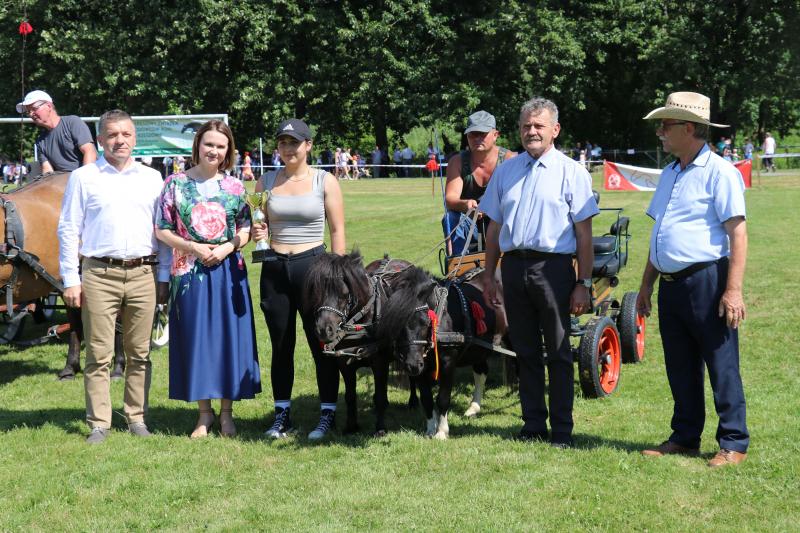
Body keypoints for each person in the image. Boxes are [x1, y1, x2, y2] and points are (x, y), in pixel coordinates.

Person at [637, 91, 749, 467]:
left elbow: (738, 234)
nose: (660, 132)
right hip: (671, 285)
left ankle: (733, 442)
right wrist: (646, 284)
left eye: (665, 125)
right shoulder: (670, 172)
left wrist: (733, 291)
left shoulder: (720, 172)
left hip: (707, 282)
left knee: (721, 363)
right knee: (680, 365)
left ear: (688, 128)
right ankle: (685, 437)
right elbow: (660, 233)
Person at [480, 97, 598, 449]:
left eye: (539, 126)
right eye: (526, 126)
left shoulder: (572, 172)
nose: (531, 131)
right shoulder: (506, 172)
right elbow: (494, 228)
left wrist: (583, 283)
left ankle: (561, 429)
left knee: (559, 352)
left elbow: (584, 235)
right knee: (525, 350)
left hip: (554, 269)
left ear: (555, 130)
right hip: (514, 268)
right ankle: (533, 424)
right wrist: (489, 274)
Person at [57, 109, 170, 444]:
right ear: (100, 140)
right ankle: (99, 423)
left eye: (126, 134)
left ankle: (136, 417)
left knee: (140, 353)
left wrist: (163, 277)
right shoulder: (84, 177)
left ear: (135, 137)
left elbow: (162, 232)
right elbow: (68, 229)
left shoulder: (153, 178)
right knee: (99, 353)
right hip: (98, 273)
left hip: (144, 272)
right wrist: (70, 279)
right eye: (112, 135)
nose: (120, 140)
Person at [155, 120, 261, 438]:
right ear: (198, 145)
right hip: (189, 273)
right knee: (196, 339)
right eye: (209, 144)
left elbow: (246, 228)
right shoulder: (174, 184)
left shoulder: (236, 187)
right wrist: (193, 247)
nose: (214, 150)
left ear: (228, 150)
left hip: (229, 272)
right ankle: (204, 415)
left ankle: (227, 413)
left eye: (220, 146)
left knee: (229, 339)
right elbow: (162, 229)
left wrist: (228, 247)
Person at [251, 118, 346, 441]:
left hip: (314, 267)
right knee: (281, 346)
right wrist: (258, 232)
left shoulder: (325, 181)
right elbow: (258, 223)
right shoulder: (265, 181)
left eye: (294, 142)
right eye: (283, 142)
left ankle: (327, 413)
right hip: (275, 268)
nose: (288, 148)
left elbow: (337, 231)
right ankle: (282, 415)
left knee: (322, 343)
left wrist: (336, 275)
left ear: (308, 145)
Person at [443, 110, 515, 255]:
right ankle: (457, 264)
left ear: (495, 135)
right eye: (472, 134)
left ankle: (509, 259)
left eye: (482, 134)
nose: (477, 138)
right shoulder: (457, 162)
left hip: (500, 222)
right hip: (469, 222)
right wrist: (465, 204)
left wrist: (490, 208)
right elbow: (450, 199)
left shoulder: (510, 160)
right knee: (450, 218)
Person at [16, 90, 97, 173]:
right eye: (28, 111)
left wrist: (83, 178)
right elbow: (47, 171)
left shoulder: (72, 122)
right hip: (62, 180)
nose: (31, 114)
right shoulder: (40, 141)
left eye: (34, 109)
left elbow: (90, 152)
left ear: (49, 106)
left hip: (86, 177)